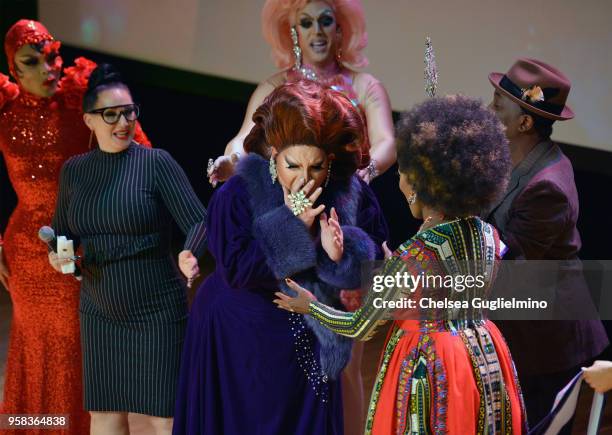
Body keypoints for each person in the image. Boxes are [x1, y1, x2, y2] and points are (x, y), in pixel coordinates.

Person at [275, 95, 527, 434]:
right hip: (480, 354)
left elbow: (361, 327)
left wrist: (312, 307)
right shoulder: (487, 235)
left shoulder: (416, 253)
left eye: (404, 172)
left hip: (430, 364)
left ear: (424, 185)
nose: (399, 181)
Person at [173, 81, 388, 435]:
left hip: (304, 339)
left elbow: (371, 263)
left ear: (330, 160)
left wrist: (340, 255)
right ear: (273, 152)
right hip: (237, 337)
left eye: (316, 167)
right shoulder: (236, 193)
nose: (304, 179)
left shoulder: (351, 192)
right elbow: (238, 270)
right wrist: (289, 227)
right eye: (292, 165)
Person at [0, 19, 149, 435]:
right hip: (24, 257)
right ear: (14, 68)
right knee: (34, 349)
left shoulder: (80, 102)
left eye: (52, 57)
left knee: (72, 350)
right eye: (33, 61)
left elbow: (141, 155)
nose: (47, 69)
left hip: (75, 250)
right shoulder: (4, 109)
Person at [48, 64, 207, 435]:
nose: (123, 122)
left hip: (156, 309)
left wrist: (191, 252)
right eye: (111, 114)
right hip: (98, 309)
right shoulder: (75, 170)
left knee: (164, 416)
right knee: (104, 413)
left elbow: (201, 221)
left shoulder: (156, 164)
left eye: (129, 111)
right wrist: (58, 255)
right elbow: (59, 231)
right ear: (89, 120)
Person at [485, 58, 609, 429]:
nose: (488, 110)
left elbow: (512, 269)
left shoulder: (547, 187)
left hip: (545, 342)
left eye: (497, 103)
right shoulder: (512, 157)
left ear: (524, 122)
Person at [208, 0, 395, 186]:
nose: (317, 31)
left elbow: (386, 141)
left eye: (325, 21)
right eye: (306, 23)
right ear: (294, 33)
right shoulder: (273, 86)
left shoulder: (366, 86)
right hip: (284, 199)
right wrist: (233, 161)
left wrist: (368, 169)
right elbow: (244, 139)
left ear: (339, 29)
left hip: (348, 199)